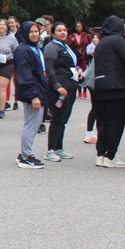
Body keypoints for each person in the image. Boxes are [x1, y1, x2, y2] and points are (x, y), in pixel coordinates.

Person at [93, 16, 125, 168]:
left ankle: (101, 154)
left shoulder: (101, 42)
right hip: (116, 86)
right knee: (116, 122)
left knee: (102, 121)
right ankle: (111, 155)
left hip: (100, 85)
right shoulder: (117, 40)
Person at [43, 22, 81, 162]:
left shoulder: (64, 46)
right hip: (60, 87)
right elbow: (49, 68)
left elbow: (69, 64)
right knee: (57, 118)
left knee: (64, 119)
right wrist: (57, 85)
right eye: (59, 30)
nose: (63, 32)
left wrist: (78, 70)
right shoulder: (51, 47)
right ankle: (50, 150)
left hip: (70, 85)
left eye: (65, 30)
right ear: (53, 33)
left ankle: (59, 147)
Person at [14, 21, 48, 168]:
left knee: (35, 124)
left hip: (38, 90)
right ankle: (25, 156)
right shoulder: (23, 50)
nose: (35, 34)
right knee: (31, 125)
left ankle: (26, 153)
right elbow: (24, 75)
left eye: (36, 31)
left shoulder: (33, 48)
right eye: (31, 32)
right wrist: (33, 96)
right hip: (32, 92)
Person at [67, 22, 93, 99]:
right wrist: (72, 41)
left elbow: (91, 45)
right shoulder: (72, 36)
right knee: (77, 73)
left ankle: (84, 91)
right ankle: (79, 92)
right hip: (76, 57)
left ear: (82, 27)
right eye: (77, 27)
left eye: (80, 26)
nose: (78, 28)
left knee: (84, 73)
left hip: (84, 57)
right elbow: (68, 46)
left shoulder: (87, 35)